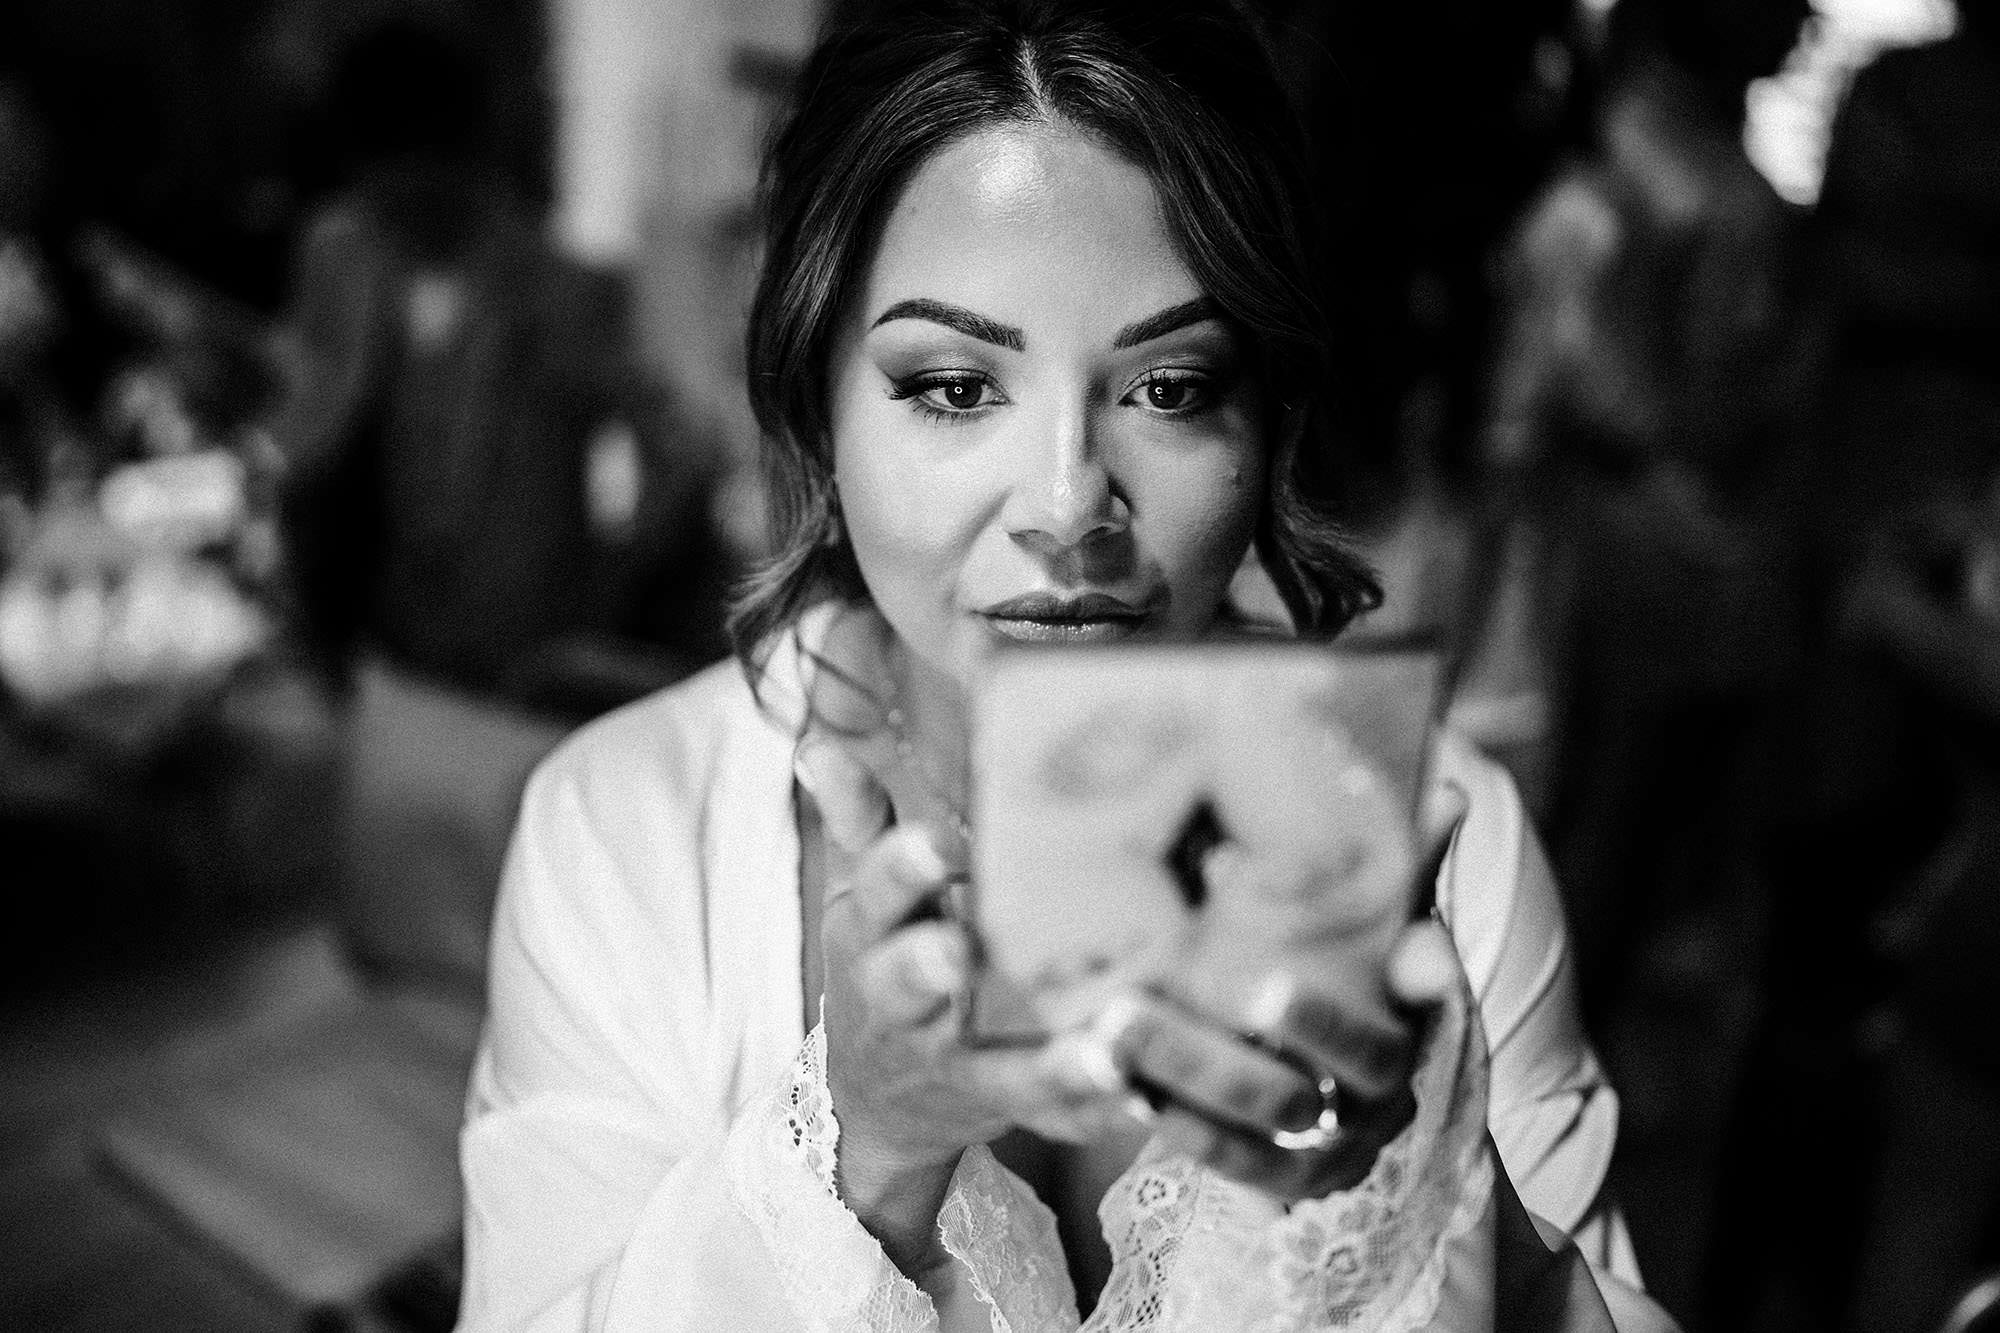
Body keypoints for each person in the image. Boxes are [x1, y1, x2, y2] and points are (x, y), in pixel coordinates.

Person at [457, 2, 1673, 1327]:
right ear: (817, 399)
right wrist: (865, 1149)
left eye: (1170, 387)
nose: (1067, 504)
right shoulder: (623, 832)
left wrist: (1421, 1185)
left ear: (1269, 423)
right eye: (954, 385)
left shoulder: (1446, 848)